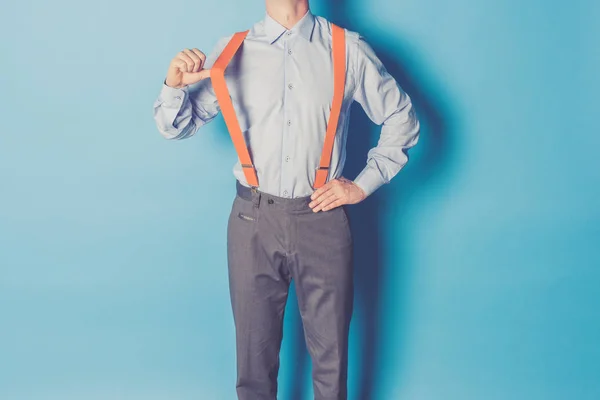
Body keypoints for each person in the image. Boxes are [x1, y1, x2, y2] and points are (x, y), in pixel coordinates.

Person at [152, 0, 420, 398]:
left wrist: (361, 184)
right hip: (252, 222)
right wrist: (174, 85)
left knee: (331, 361)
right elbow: (177, 127)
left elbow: (402, 118)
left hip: (322, 219)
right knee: (253, 361)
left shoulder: (346, 48)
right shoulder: (232, 51)